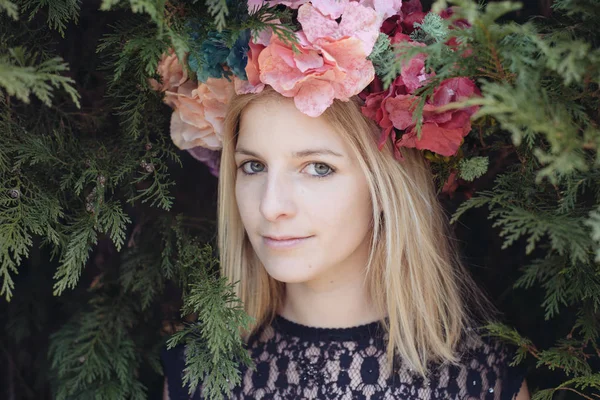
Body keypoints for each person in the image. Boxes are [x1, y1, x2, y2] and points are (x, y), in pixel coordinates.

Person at [156, 2, 531, 398]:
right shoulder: (198, 376)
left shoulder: (481, 381)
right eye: (253, 167)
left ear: (387, 185)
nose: (270, 207)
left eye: (317, 168)